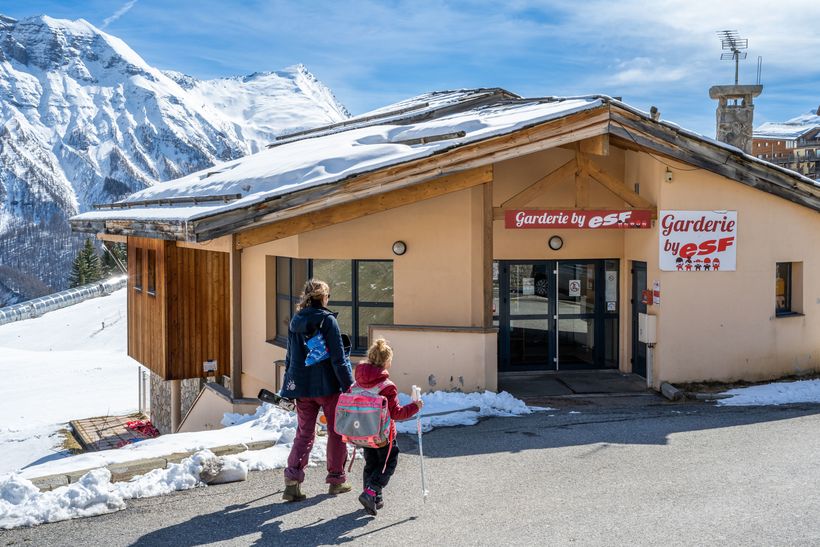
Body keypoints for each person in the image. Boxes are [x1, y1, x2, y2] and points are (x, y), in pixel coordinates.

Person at [280, 279, 354, 502]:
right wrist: (348, 386)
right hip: (328, 386)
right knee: (336, 431)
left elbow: (291, 357)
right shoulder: (327, 320)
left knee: (304, 433)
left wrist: (288, 388)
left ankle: (292, 482)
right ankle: (337, 480)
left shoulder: (295, 321)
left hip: (302, 387)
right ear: (324, 297)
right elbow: (338, 358)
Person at [353, 338, 423, 515]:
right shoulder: (387, 386)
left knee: (371, 463)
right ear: (386, 362)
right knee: (388, 463)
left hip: (363, 432)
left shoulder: (357, 381)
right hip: (383, 435)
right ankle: (371, 492)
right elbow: (397, 413)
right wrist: (415, 406)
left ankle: (373, 497)